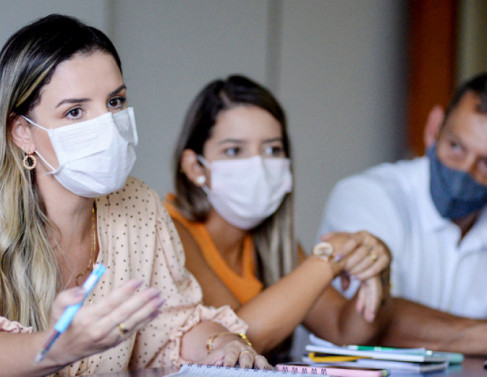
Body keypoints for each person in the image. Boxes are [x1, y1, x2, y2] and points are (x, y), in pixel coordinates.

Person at [0, 14, 269, 377]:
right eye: (75, 112)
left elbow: (173, 328)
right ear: (22, 133)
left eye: (115, 102)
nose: (107, 128)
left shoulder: (138, 204)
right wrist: (56, 348)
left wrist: (221, 343)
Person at [164, 75, 393, 362]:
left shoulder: (275, 244)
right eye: (234, 150)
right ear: (195, 166)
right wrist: (331, 258)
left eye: (272, 149)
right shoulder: (167, 231)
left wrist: (378, 269)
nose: (258, 165)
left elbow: (346, 332)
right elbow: (239, 338)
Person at [318, 72, 487, 354]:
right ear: (434, 128)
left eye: (486, 163)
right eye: (456, 147)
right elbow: (371, 319)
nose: (465, 171)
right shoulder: (365, 195)